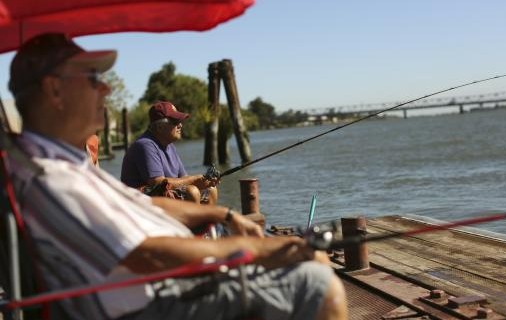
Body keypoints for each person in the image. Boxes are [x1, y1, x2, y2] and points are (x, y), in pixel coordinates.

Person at [7, 33, 347, 320]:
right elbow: (148, 254)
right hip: (153, 302)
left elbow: (146, 202)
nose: (106, 90)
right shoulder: (50, 177)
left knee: (308, 258)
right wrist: (256, 248)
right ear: (54, 90)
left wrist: (222, 214)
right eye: (93, 79)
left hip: (157, 287)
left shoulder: (64, 165)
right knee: (318, 282)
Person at [121, 101, 218, 204]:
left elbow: (183, 178)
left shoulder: (169, 145)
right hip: (139, 204)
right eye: (175, 122)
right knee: (191, 192)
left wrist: (204, 180)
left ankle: (205, 219)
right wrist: (195, 180)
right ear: (160, 127)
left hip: (161, 195)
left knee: (211, 190)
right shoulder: (145, 145)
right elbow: (157, 183)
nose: (180, 125)